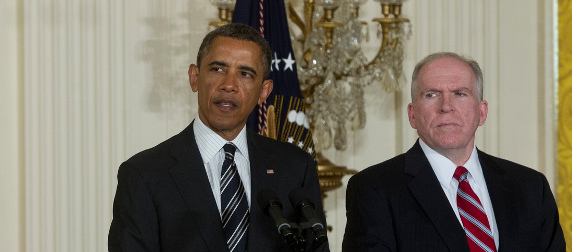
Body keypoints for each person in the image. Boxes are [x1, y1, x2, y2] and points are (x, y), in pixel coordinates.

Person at [109, 23, 328, 252]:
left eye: (245, 73)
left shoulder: (294, 167)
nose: (229, 85)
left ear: (264, 91)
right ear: (194, 77)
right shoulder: (144, 175)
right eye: (218, 69)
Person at [342, 52, 566, 251]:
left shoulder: (530, 188)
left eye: (460, 93)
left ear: (482, 112)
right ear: (412, 114)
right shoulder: (373, 189)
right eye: (431, 94)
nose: (446, 106)